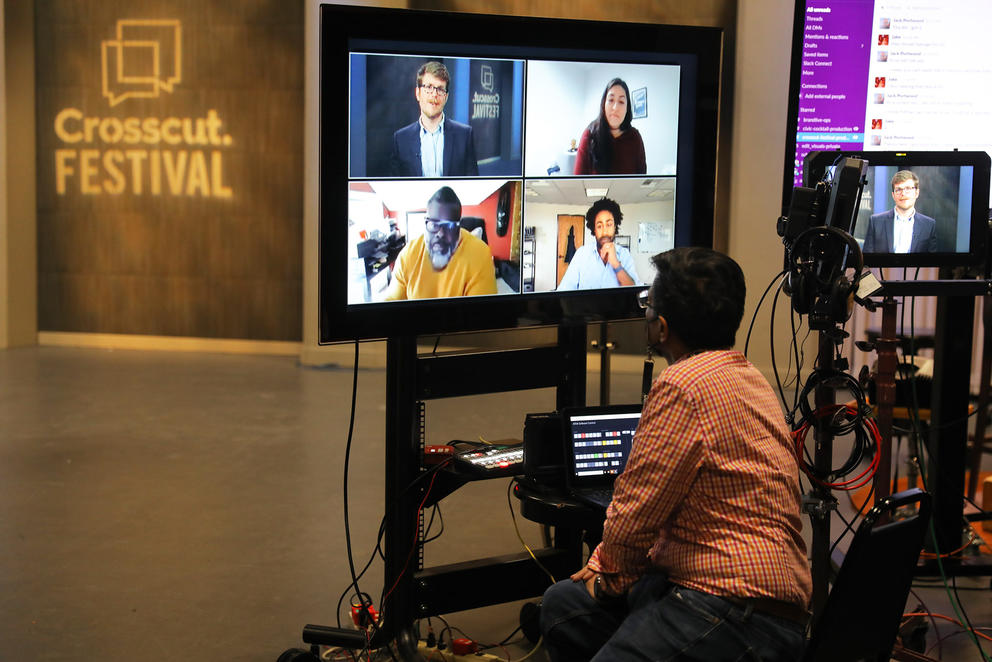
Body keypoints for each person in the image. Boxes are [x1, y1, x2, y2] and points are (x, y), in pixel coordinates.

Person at [540, 247, 812, 662]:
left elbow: (636, 512)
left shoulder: (681, 385)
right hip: (773, 603)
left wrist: (606, 576)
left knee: (587, 597)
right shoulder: (749, 376)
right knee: (564, 604)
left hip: (731, 608)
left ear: (660, 328)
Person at [384, 186, 496, 300]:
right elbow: (390, 305)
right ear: (425, 222)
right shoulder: (407, 255)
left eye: (449, 226)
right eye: (434, 224)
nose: (440, 234)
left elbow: (482, 314)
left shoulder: (480, 255)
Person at [389, 61, 479, 178]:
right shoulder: (400, 139)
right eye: (429, 87)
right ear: (418, 93)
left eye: (440, 89)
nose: (434, 95)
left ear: (446, 97)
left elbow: (472, 182)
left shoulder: (464, 135)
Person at [557, 198, 639, 290]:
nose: (604, 232)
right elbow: (564, 290)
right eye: (599, 226)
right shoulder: (582, 254)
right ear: (594, 230)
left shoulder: (624, 254)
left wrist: (616, 264)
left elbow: (634, 292)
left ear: (615, 227)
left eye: (609, 224)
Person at [573, 78, 646, 175]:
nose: (615, 108)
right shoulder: (589, 135)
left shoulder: (635, 137)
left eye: (621, 102)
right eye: (611, 100)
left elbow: (641, 179)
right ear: (604, 104)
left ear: (627, 108)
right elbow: (579, 181)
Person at [862, 170, 937, 253]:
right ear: (893, 195)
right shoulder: (875, 222)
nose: (903, 194)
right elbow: (866, 260)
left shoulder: (929, 225)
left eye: (908, 188)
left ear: (916, 193)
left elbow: (933, 262)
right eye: (898, 189)